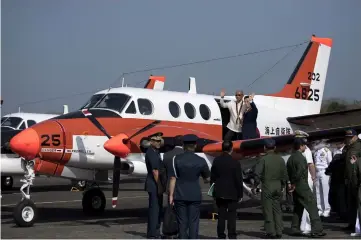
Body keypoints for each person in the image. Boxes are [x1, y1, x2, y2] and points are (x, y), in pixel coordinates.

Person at [168, 134, 211, 239]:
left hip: (180, 194)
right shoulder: (201, 160)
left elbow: (173, 178)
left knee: (182, 222)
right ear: (195, 146)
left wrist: (171, 195)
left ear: (183, 146)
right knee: (194, 221)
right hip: (195, 194)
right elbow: (207, 179)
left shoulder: (176, 159)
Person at [286, 137, 326, 237]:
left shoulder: (291, 157)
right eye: (304, 145)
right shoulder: (300, 157)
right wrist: (295, 182)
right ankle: (317, 230)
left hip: (296, 185)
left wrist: (290, 184)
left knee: (298, 207)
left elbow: (288, 172)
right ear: (300, 146)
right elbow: (299, 172)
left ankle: (294, 228)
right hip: (301, 184)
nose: (305, 146)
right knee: (312, 205)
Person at [253, 138, 290, 238]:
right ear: (275, 148)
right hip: (278, 186)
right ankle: (279, 230)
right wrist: (282, 186)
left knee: (268, 210)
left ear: (265, 148)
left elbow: (257, 174)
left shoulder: (263, 159)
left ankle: (271, 232)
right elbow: (285, 175)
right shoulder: (280, 159)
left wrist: (255, 185)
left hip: (267, 186)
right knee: (277, 210)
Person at [210, 141, 243, 239]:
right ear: (231, 149)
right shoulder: (235, 162)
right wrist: (240, 194)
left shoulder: (216, 160)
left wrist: (213, 191)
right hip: (232, 192)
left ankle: (221, 235)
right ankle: (232, 235)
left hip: (219, 191)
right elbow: (238, 180)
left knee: (221, 215)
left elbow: (213, 177)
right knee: (232, 215)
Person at [144, 132, 165, 239]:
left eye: (159, 140)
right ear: (151, 141)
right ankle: (152, 233)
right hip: (154, 184)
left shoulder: (155, 151)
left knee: (158, 209)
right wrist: (159, 185)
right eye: (156, 141)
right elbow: (155, 171)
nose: (158, 142)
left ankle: (156, 231)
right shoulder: (151, 152)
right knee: (154, 210)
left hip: (155, 183)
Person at [344, 129, 361, 232]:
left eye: (350, 137)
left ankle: (358, 226)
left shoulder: (359, 146)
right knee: (351, 203)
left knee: (358, 202)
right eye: (347, 137)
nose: (348, 139)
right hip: (350, 179)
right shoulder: (349, 147)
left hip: (357, 179)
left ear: (355, 137)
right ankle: (352, 223)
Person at [325, 139, 347, 219]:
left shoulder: (340, 157)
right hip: (337, 181)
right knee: (335, 199)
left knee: (340, 199)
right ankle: (340, 214)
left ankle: (342, 215)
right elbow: (329, 169)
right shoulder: (336, 155)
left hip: (341, 181)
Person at [313, 140, 332, 217]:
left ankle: (327, 210)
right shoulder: (315, 152)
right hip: (317, 172)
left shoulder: (327, 151)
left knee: (325, 191)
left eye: (318, 142)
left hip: (324, 172)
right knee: (318, 192)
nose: (316, 143)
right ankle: (320, 209)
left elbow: (330, 162)